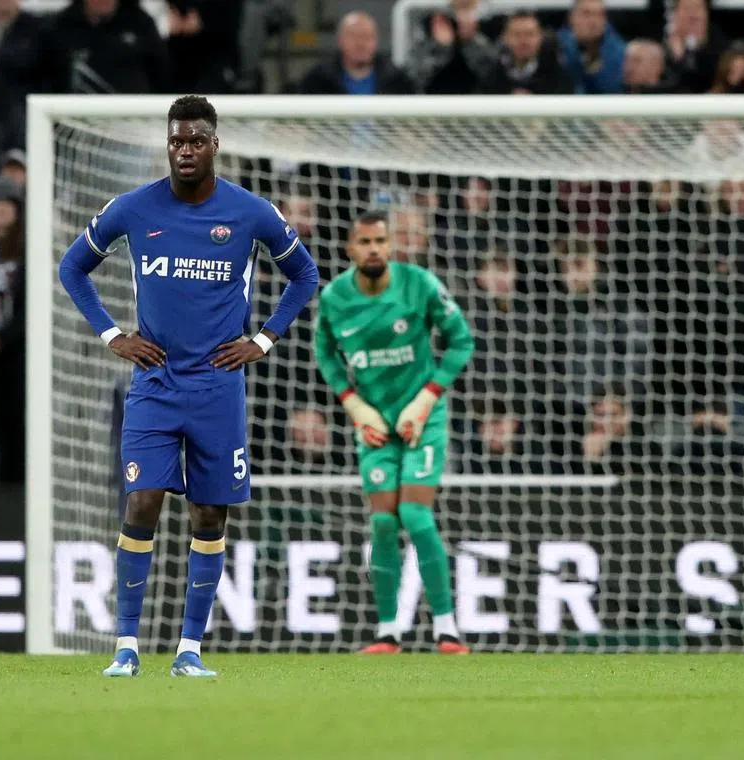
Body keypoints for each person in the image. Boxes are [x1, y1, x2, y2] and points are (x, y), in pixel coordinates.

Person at [57, 95, 319, 677]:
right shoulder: (132, 208)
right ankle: (125, 648)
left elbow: (305, 274)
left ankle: (188, 651)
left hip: (218, 387)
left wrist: (265, 340)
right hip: (153, 383)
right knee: (142, 500)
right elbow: (71, 267)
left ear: (214, 144)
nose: (184, 150)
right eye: (176, 140)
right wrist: (110, 335)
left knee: (209, 516)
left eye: (196, 140)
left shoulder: (251, 212)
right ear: (167, 143)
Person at [314, 210, 474, 655]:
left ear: (391, 245)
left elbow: (461, 341)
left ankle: (447, 629)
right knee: (383, 522)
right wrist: (355, 405)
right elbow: (324, 354)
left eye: (380, 240)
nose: (373, 249)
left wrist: (426, 399)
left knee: (417, 516)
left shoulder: (419, 284)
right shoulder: (334, 298)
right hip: (375, 425)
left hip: (422, 419)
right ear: (350, 249)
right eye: (364, 241)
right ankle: (389, 632)